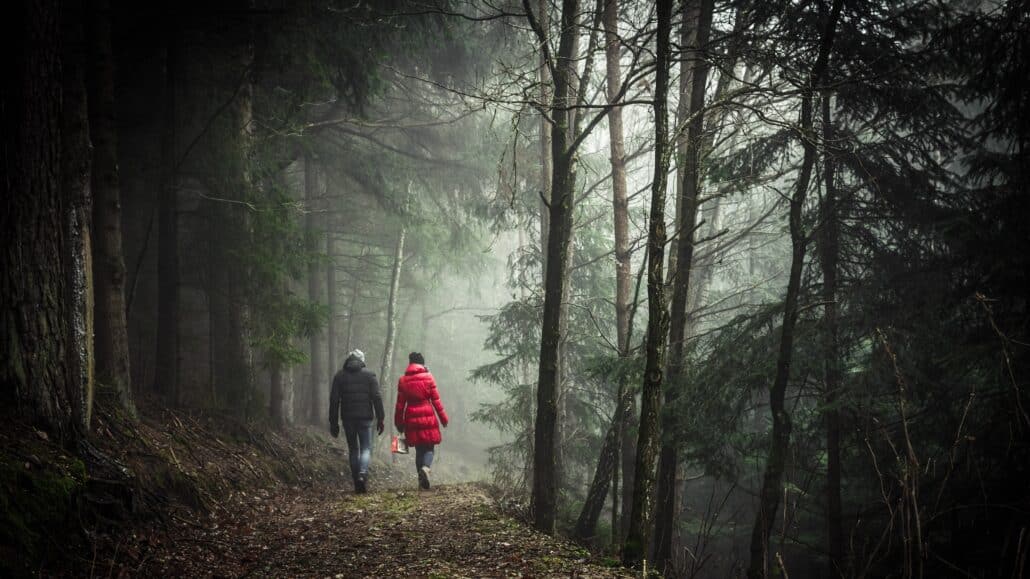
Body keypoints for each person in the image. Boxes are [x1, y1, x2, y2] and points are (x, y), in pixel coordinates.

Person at [329, 349, 385, 493]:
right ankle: (362, 474)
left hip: (348, 418)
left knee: (354, 449)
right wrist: (381, 418)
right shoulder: (369, 375)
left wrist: (333, 422)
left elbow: (334, 401)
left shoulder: (339, 376)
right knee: (366, 448)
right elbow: (377, 397)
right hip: (365, 418)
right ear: (362, 360)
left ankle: (356, 482)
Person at [394, 352, 448, 490]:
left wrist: (399, 423)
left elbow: (400, 405)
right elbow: (436, 400)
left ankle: (421, 480)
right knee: (429, 447)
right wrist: (443, 418)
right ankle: (426, 468)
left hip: (411, 417)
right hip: (427, 415)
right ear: (422, 363)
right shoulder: (429, 377)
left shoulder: (403, 380)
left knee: (419, 449)